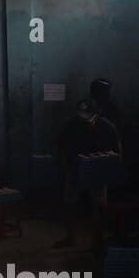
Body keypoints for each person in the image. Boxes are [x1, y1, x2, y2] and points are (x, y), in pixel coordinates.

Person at [54, 98, 121, 249]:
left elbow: (115, 153)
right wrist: (68, 170)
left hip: (98, 172)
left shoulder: (107, 128)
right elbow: (61, 148)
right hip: (74, 170)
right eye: (81, 114)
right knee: (70, 204)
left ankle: (97, 240)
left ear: (96, 113)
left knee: (99, 206)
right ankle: (70, 237)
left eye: (88, 114)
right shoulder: (71, 126)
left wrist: (104, 169)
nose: (84, 118)